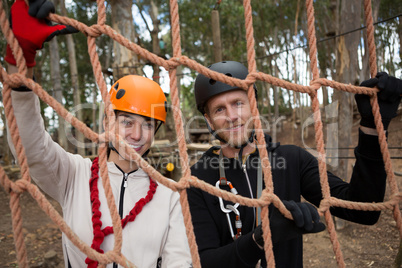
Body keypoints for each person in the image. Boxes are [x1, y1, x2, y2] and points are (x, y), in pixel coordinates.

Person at [4, 0, 192, 267]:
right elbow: (30, 147)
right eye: (126, 121)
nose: (137, 134)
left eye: (148, 124)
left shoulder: (169, 196)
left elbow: (180, 262)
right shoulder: (73, 175)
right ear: (107, 122)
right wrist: (19, 58)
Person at [187, 60, 401, 267]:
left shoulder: (291, 160)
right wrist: (260, 239)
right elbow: (204, 262)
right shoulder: (197, 180)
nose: (232, 116)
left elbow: (364, 211)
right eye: (219, 109)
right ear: (208, 120)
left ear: (253, 105)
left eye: (238, 103)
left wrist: (373, 128)